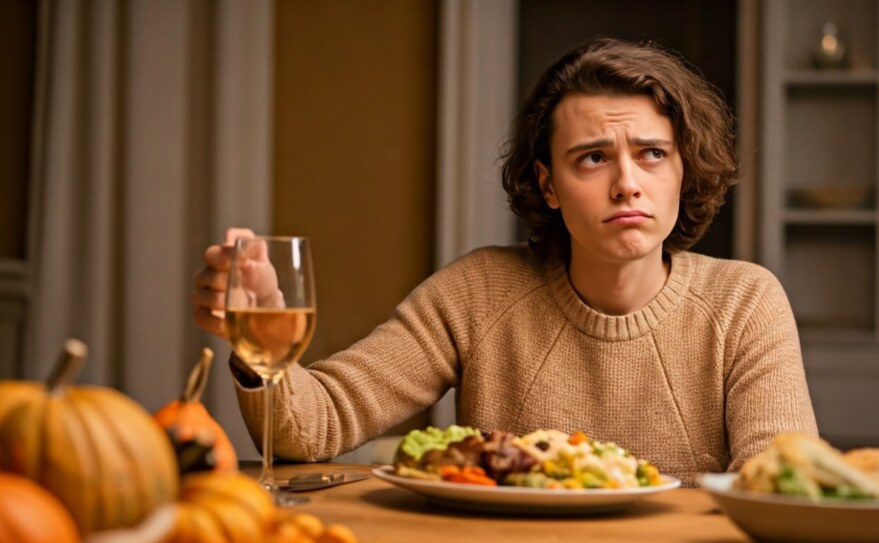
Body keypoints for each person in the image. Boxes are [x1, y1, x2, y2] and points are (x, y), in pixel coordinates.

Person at [192, 37, 817, 485]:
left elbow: (786, 483)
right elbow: (312, 429)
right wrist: (263, 335)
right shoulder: (479, 292)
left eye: (652, 153)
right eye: (593, 158)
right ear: (548, 185)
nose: (627, 182)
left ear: (682, 170)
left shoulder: (745, 301)